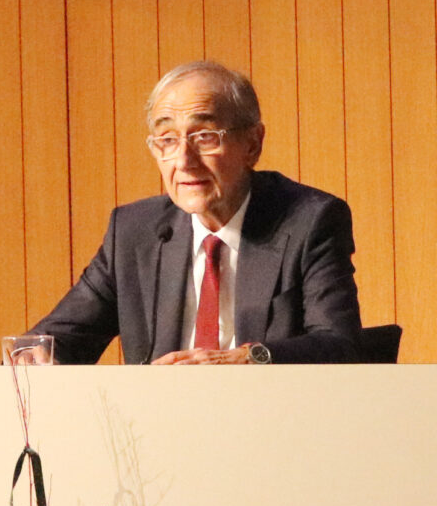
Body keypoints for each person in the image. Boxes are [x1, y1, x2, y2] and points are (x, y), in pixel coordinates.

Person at [29, 61, 362, 365]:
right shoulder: (134, 233)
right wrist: (33, 356)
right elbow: (57, 340)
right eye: (167, 140)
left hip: (270, 408)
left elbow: (339, 345)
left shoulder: (310, 221)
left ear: (252, 144)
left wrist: (248, 359)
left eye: (204, 137)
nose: (184, 161)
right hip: (160, 412)